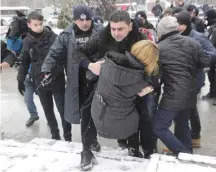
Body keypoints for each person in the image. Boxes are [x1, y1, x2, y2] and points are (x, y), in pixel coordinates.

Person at [73, 10, 157, 169]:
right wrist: (90, 65)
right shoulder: (102, 36)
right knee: (88, 111)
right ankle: (86, 151)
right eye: (113, 29)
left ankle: (137, 148)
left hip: (132, 85)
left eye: (121, 29)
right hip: (105, 84)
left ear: (130, 26)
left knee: (141, 116)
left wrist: (151, 85)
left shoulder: (141, 39)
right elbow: (77, 53)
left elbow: (156, 66)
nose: (116, 33)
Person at [41, 5, 104, 171]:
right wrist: (46, 68)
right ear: (75, 20)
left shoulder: (101, 31)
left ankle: (92, 140)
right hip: (79, 82)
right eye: (80, 19)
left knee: (95, 112)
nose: (84, 23)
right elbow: (54, 53)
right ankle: (87, 147)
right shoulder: (67, 35)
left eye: (87, 19)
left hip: (99, 80)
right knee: (85, 112)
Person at [154, 16, 211, 156]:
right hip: (191, 92)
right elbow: (205, 61)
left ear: (161, 31)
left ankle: (182, 152)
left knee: (159, 127)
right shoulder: (193, 42)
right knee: (182, 124)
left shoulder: (158, 48)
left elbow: (156, 74)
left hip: (173, 94)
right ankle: (187, 155)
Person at [17, 11, 71, 141]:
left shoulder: (54, 37)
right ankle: (55, 136)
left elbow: (64, 58)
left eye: (41, 24)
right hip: (39, 80)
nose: (39, 27)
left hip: (56, 78)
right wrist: (20, 78)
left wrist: (69, 76)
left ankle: (68, 138)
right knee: (48, 111)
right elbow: (24, 62)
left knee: (63, 110)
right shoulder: (27, 41)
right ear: (29, 25)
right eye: (35, 24)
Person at [91, 40, 158, 142]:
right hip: (118, 125)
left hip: (98, 112)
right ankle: (137, 148)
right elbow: (149, 84)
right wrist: (152, 86)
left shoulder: (110, 60)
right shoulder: (141, 81)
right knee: (142, 113)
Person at [176, 10, 216, 148]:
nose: (176, 26)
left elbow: (214, 54)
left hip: (194, 79)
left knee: (184, 109)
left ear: (185, 24)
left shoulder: (198, 37)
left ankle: (185, 141)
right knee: (190, 108)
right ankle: (194, 137)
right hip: (180, 79)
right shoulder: (175, 36)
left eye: (178, 24)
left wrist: (197, 57)